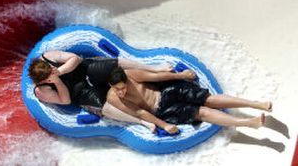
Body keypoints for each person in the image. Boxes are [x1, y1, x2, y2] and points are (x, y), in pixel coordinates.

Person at [106, 67, 272, 134]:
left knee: (209, 100)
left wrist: (180, 76)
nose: (121, 91)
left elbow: (156, 77)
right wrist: (164, 125)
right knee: (202, 112)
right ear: (111, 86)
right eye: (117, 89)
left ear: (126, 81)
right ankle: (249, 123)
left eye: (123, 87)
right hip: (161, 110)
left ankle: (256, 104)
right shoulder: (113, 98)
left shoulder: (130, 75)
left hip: (166, 92)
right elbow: (140, 112)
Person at [28, 50, 172, 115]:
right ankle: (143, 120)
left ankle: (155, 69)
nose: (53, 69)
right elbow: (65, 101)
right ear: (45, 80)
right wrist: (57, 82)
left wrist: (60, 71)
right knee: (104, 107)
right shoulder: (41, 90)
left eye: (53, 68)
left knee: (114, 64)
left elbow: (75, 58)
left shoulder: (47, 57)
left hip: (85, 70)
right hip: (78, 93)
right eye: (51, 72)